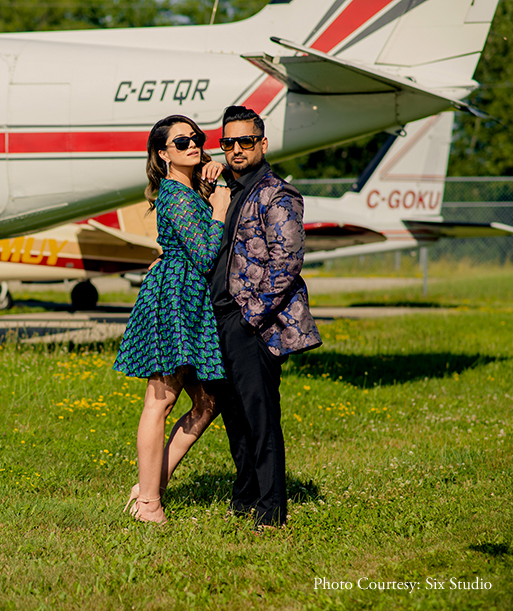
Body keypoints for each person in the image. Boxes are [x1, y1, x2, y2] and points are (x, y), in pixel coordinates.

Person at [114, 114, 230, 524]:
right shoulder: (175, 195)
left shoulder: (193, 187)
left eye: (196, 138)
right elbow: (204, 255)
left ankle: (148, 487)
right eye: (181, 142)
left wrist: (218, 171)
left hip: (191, 299)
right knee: (160, 401)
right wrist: (219, 210)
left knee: (208, 402)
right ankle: (149, 504)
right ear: (163, 154)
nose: (192, 145)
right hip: (175, 299)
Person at [210, 106, 322, 529]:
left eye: (245, 141)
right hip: (218, 319)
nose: (237, 149)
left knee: (259, 417)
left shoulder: (277, 194)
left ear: (262, 143)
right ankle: (245, 498)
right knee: (234, 417)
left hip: (253, 323)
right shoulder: (227, 190)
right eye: (228, 142)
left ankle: (272, 510)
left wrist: (249, 318)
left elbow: (286, 262)